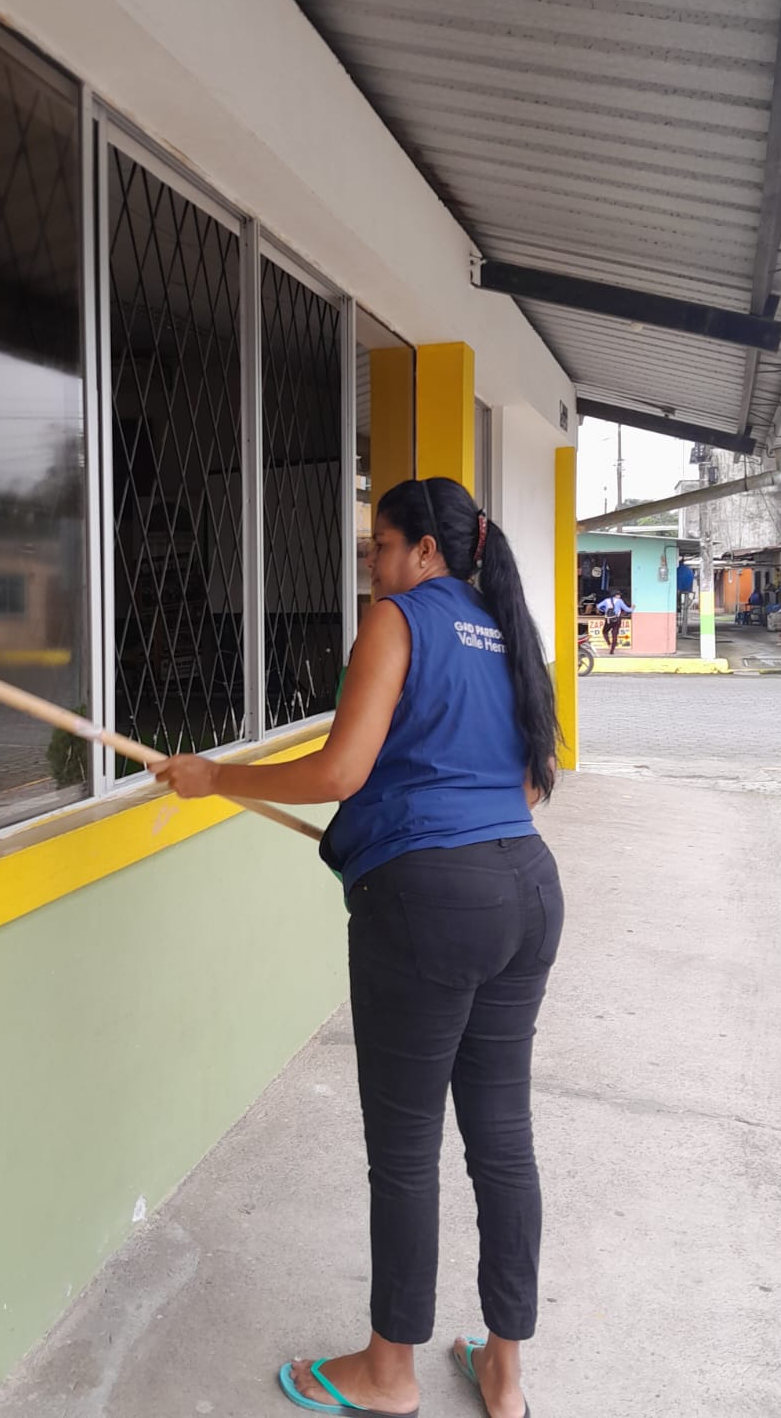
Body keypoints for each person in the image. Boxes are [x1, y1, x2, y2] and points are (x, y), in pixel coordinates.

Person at [156, 477, 563, 1418]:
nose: (371, 564)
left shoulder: (399, 619)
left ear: (426, 551)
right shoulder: (505, 626)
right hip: (528, 891)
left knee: (407, 1148)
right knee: (503, 1140)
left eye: (379, 546)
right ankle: (504, 1375)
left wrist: (216, 776)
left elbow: (342, 769)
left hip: (429, 908)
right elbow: (529, 784)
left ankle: (388, 1374)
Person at [596, 588, 632, 654]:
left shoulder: (606, 600)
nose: (620, 596)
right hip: (617, 619)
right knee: (615, 634)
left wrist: (604, 610)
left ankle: (609, 644)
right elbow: (627, 609)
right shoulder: (620, 601)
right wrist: (632, 608)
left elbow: (598, 606)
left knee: (604, 632)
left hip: (608, 619)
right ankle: (612, 651)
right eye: (619, 595)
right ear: (616, 595)